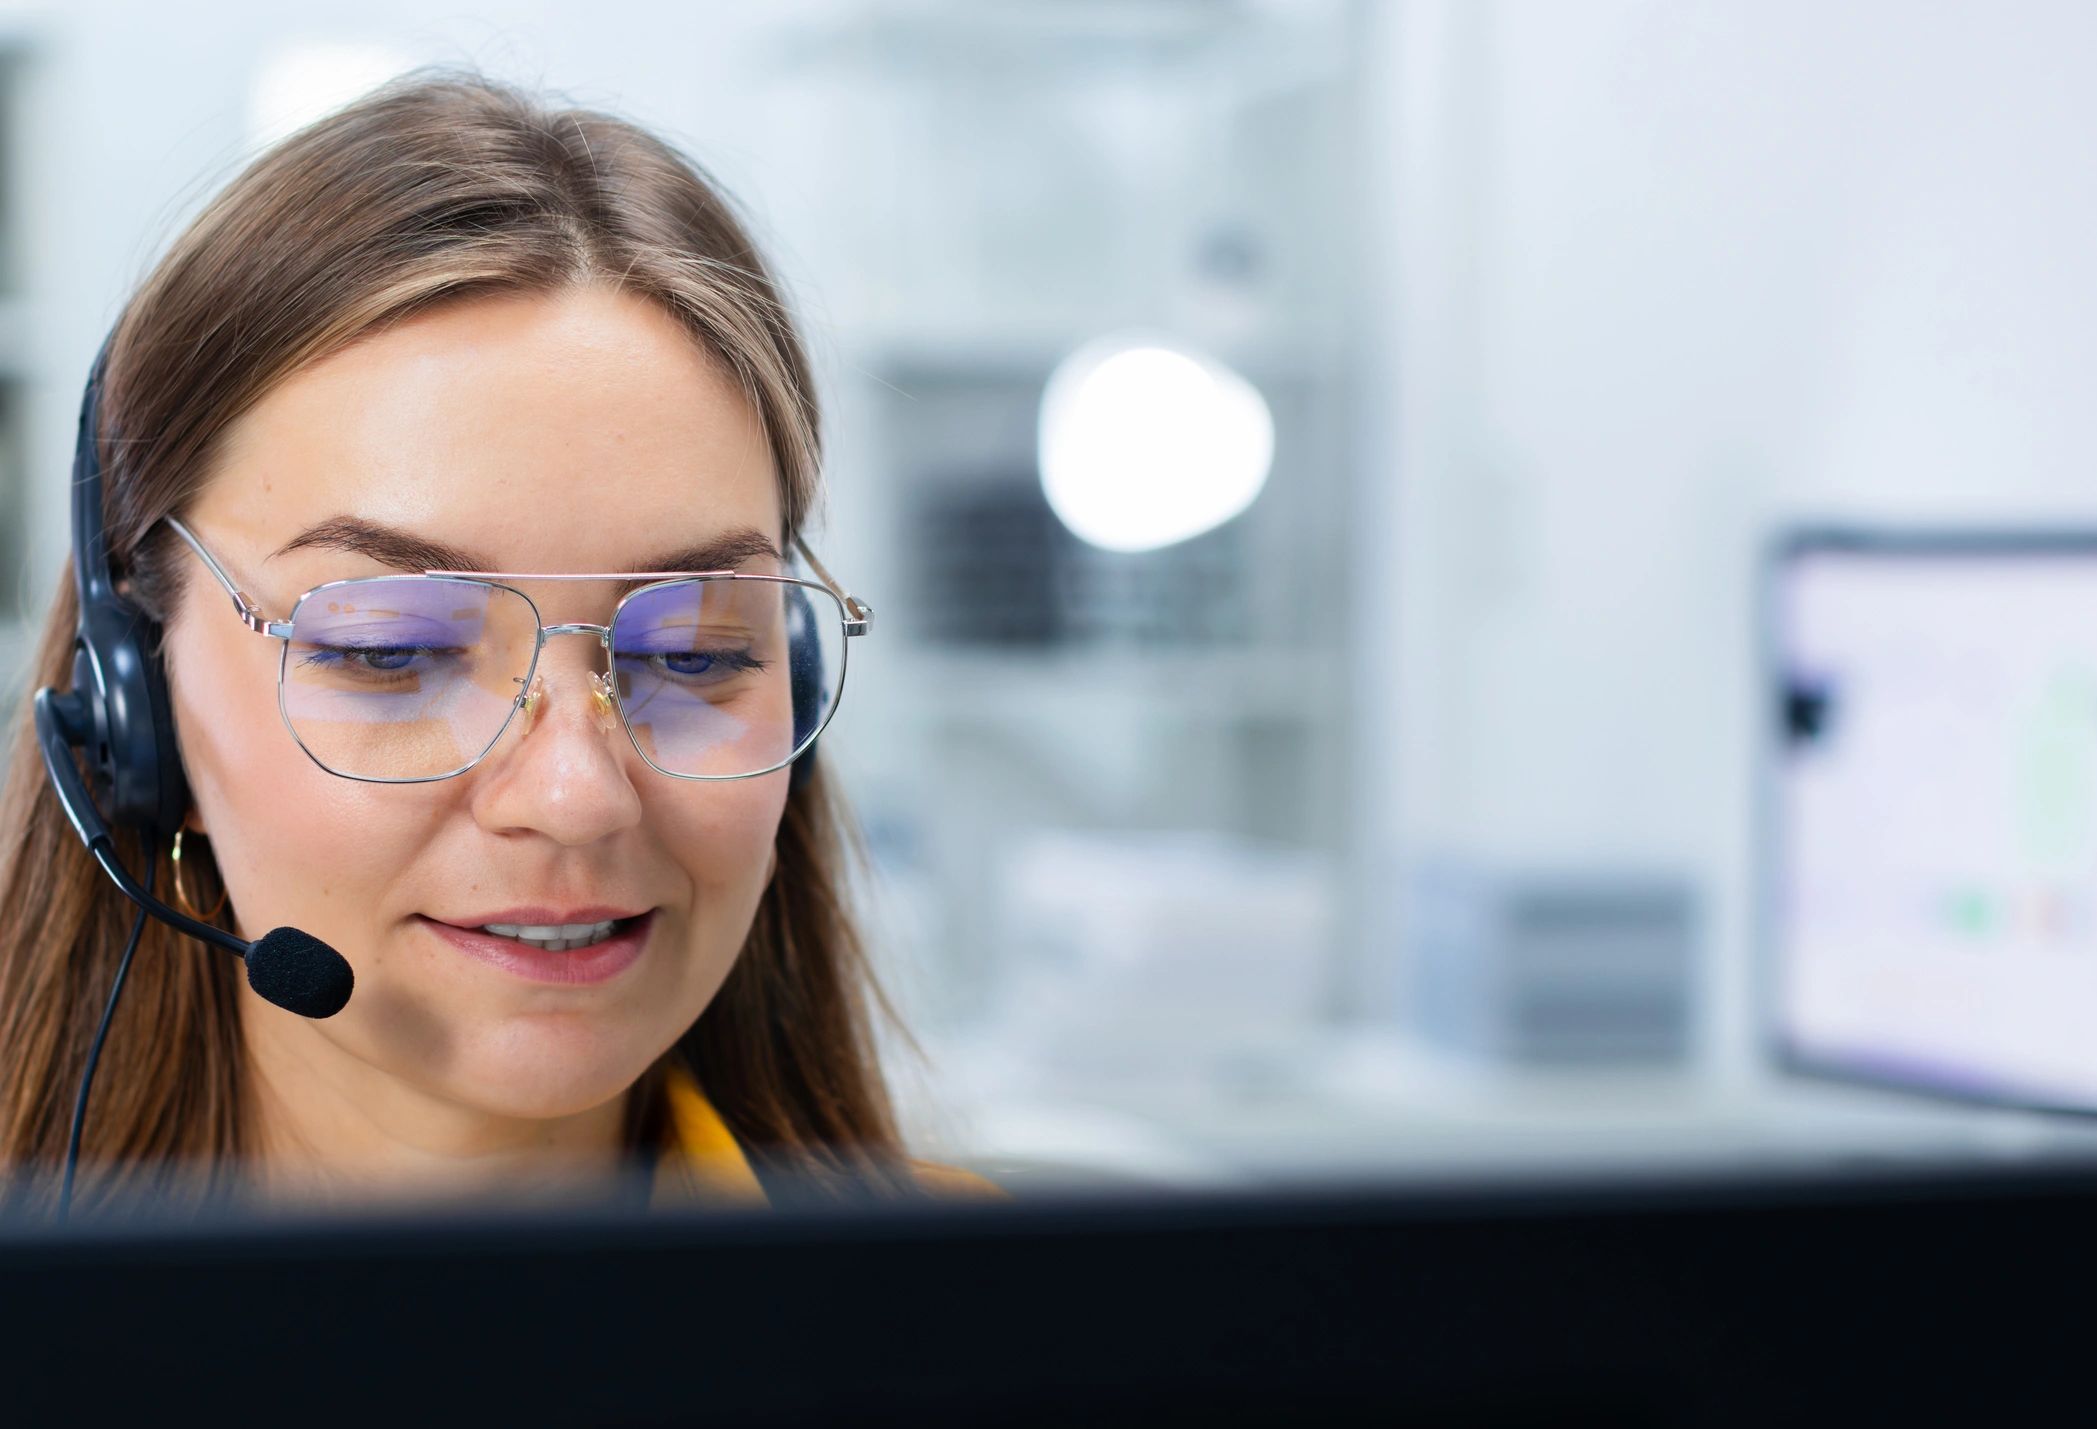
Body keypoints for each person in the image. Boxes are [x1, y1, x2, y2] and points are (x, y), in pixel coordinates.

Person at [0, 70, 991, 1215]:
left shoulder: (1024, 1336)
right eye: (391, 651)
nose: (575, 797)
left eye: (695, 653)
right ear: (132, 716)